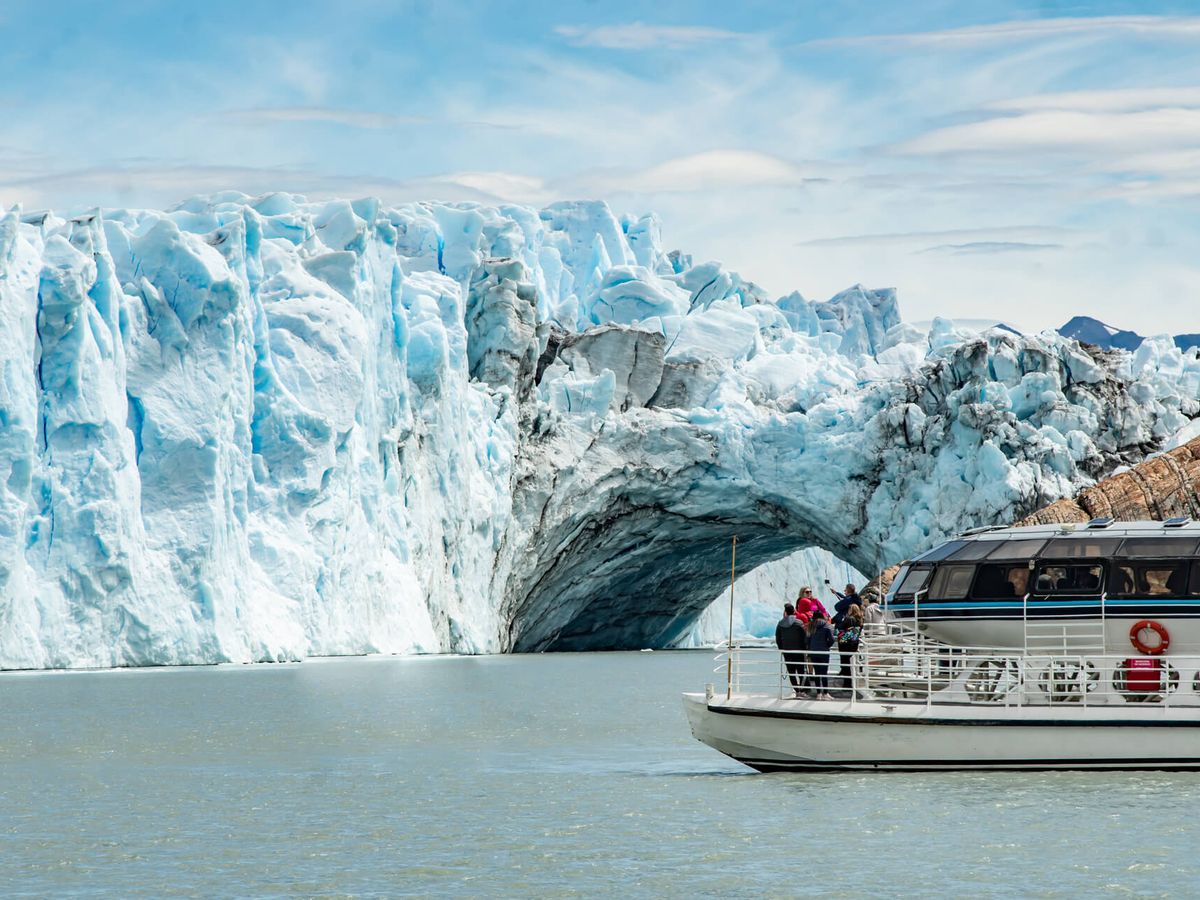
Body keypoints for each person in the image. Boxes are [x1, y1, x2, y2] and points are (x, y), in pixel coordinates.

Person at [774, 603, 808, 696]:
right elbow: (804, 637)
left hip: (787, 652)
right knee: (801, 671)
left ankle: (797, 691)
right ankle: (802, 690)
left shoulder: (780, 624)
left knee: (791, 672)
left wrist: (782, 649)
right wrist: (805, 649)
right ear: (794, 611)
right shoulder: (799, 622)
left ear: (785, 612)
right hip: (799, 651)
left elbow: (778, 639)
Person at [806, 609, 836, 700]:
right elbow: (831, 639)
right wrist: (826, 646)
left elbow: (807, 640)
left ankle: (818, 693)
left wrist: (810, 649)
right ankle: (825, 693)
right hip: (824, 652)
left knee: (817, 672)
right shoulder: (827, 625)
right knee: (824, 672)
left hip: (813, 652)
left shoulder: (810, 625)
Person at [837, 603, 863, 689]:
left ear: (851, 610)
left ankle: (847, 684)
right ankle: (854, 682)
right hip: (854, 643)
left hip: (846, 644)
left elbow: (842, 628)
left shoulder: (848, 619)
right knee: (853, 663)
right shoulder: (860, 620)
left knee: (846, 664)